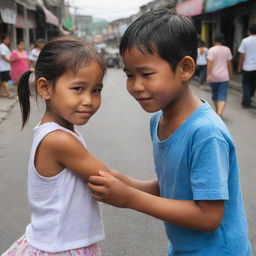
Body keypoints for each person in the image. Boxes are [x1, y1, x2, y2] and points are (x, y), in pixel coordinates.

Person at [88, 9, 252, 256]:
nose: (135, 86)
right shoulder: (158, 120)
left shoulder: (206, 132)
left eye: (146, 74)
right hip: (183, 248)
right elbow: (173, 187)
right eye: (130, 75)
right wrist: (122, 181)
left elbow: (208, 217)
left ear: (185, 68)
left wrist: (130, 198)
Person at [2, 36, 109, 256]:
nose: (89, 100)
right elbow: (107, 180)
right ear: (45, 88)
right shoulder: (59, 139)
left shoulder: (60, 130)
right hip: (62, 247)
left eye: (96, 90)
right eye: (78, 88)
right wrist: (155, 192)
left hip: (57, 240)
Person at [207, 33, 233, 118]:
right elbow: (229, 63)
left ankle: (218, 112)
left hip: (214, 76)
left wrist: (208, 75)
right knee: (222, 94)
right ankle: (219, 112)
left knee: (215, 94)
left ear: (214, 40)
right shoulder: (227, 50)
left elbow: (209, 64)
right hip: (224, 76)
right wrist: (230, 73)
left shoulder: (211, 50)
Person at [238, 23, 256, 108]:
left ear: (248, 31)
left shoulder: (245, 40)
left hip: (247, 67)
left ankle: (247, 102)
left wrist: (239, 66)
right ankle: (248, 98)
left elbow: (242, 55)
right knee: (253, 84)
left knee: (246, 85)